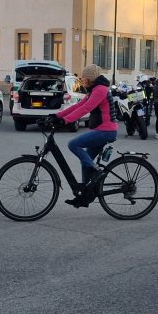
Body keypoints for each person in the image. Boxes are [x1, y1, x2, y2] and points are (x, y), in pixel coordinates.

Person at [51, 64, 118, 207]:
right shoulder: (95, 89)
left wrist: (66, 120)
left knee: (73, 144)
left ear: (90, 79)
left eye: (84, 78)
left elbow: (86, 108)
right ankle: (85, 194)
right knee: (85, 161)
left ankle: (97, 171)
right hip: (102, 129)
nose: (82, 81)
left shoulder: (100, 90)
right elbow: (78, 105)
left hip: (106, 130)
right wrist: (57, 116)